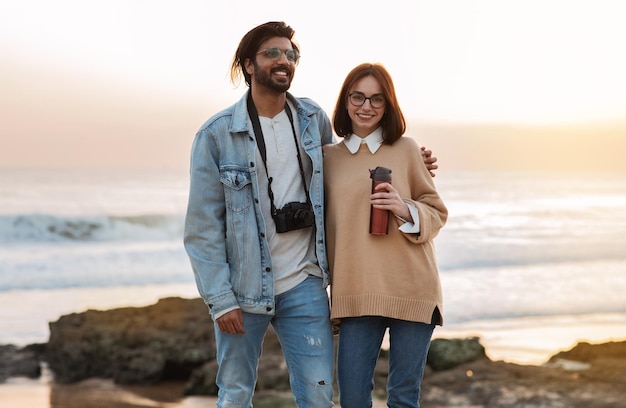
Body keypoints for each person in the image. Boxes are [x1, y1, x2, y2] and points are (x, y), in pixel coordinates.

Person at [183, 21, 438, 407]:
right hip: (245, 285)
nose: (283, 60)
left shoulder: (310, 121)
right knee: (234, 394)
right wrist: (220, 299)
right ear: (249, 65)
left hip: (306, 282)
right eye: (272, 53)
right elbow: (202, 228)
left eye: (290, 54)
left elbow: (358, 163)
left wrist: (410, 164)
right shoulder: (216, 135)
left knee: (320, 398)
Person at [323, 63, 448, 407]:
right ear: (345, 101)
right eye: (358, 97)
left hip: (413, 287)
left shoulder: (408, 149)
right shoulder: (326, 159)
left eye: (377, 99)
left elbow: (437, 212)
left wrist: (403, 207)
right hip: (355, 292)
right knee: (351, 398)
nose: (366, 106)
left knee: (403, 398)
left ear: (388, 104)